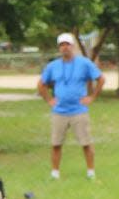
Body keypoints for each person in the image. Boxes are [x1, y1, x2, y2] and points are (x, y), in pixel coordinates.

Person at [36, 32, 104, 180]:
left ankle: (91, 172)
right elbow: (41, 84)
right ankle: (55, 173)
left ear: (72, 46)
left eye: (67, 44)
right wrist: (49, 100)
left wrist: (92, 97)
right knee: (56, 144)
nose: (65, 47)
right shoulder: (53, 66)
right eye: (62, 45)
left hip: (78, 110)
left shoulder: (84, 63)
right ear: (59, 48)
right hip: (59, 111)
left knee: (86, 143)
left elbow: (100, 79)